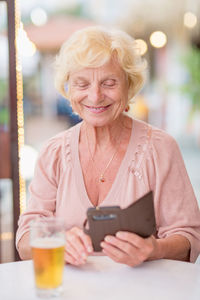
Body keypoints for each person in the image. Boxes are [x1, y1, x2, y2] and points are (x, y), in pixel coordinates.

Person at [16, 26, 200, 267]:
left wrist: (154, 249)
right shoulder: (54, 152)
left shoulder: (160, 148)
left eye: (109, 83)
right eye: (82, 84)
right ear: (69, 90)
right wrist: (56, 241)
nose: (95, 96)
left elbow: (189, 237)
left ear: (129, 84)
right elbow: (24, 241)